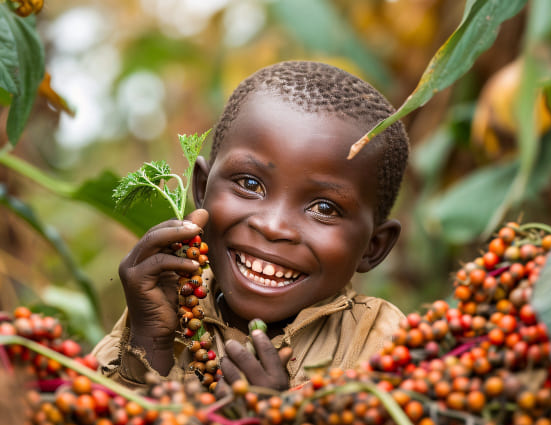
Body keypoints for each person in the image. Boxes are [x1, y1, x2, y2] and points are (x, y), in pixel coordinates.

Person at [92, 60, 410, 392]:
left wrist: (277, 422)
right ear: (201, 189)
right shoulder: (164, 309)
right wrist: (147, 350)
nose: (272, 227)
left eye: (324, 208)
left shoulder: (382, 344)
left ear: (374, 247)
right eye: (249, 184)